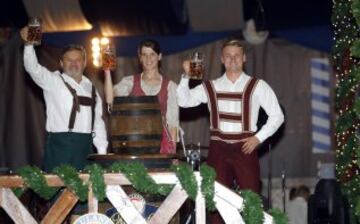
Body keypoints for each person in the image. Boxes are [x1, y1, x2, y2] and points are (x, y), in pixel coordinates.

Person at [177, 38, 284, 223]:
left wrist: (258, 138)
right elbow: (183, 101)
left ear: (244, 58)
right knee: (214, 200)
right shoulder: (211, 87)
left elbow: (278, 116)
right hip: (218, 148)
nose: (232, 59)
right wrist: (185, 76)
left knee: (251, 200)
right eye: (228, 55)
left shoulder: (257, 86)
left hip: (245, 148)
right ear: (221, 59)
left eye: (236, 56)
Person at [20, 27, 108, 172]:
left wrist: (102, 152)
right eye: (69, 60)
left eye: (78, 60)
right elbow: (32, 68)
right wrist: (29, 45)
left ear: (85, 63)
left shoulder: (91, 89)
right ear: (61, 63)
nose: (74, 63)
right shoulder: (53, 81)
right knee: (57, 192)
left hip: (86, 150)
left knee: (85, 193)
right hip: (59, 149)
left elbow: (98, 122)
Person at [104, 39, 179, 154]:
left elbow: (173, 124)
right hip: (132, 141)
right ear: (140, 58)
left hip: (160, 144)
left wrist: (172, 154)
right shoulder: (129, 82)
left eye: (152, 54)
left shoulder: (170, 86)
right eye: (144, 55)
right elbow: (110, 100)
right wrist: (107, 71)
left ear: (159, 56)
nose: (148, 59)